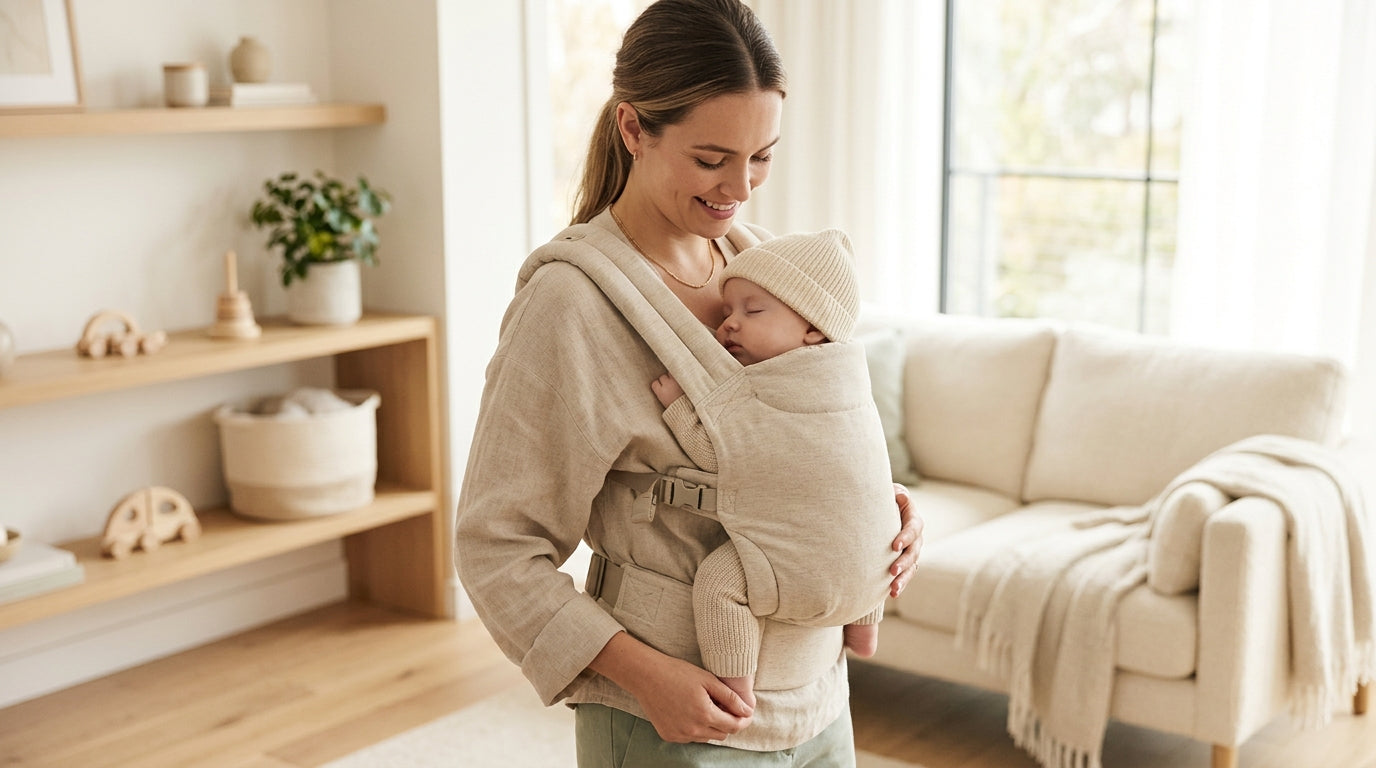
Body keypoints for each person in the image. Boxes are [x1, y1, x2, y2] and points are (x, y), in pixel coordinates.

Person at [454, 1, 923, 765]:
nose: (740, 187)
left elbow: (813, 438)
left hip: (819, 703)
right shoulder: (571, 304)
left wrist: (880, 513)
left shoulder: (768, 274)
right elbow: (495, 547)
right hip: (670, 718)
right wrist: (646, 677)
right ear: (633, 128)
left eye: (762, 156)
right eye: (711, 159)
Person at [650, 229, 896, 711]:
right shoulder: (850, 380)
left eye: (753, 311)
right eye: (728, 311)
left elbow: (728, 457)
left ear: (813, 329)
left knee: (719, 584)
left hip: (805, 565)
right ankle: (864, 629)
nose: (729, 324)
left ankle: (735, 687)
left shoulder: (773, 385)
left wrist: (680, 407)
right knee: (872, 530)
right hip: (874, 566)